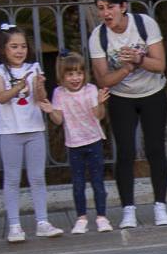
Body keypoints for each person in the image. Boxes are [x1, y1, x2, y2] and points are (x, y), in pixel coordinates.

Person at [88, 0, 167, 228]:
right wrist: (126, 68)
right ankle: (128, 210)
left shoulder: (145, 24)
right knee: (125, 152)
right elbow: (103, 79)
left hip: (152, 92)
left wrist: (138, 59)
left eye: (111, 7)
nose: (106, 13)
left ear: (123, 7)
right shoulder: (98, 37)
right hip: (121, 97)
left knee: (155, 149)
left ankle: (160, 207)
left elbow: (160, 64)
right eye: (101, 8)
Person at [0, 23, 63, 242]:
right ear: (4, 49)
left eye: (22, 46)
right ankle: (14, 225)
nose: (19, 51)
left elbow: (41, 98)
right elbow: (1, 97)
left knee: (37, 177)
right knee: (12, 179)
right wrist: (19, 85)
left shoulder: (34, 67)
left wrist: (39, 84)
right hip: (10, 132)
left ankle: (42, 222)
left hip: (34, 129)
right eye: (14, 46)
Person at [38, 51, 112, 235]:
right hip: (74, 143)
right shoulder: (59, 93)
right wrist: (49, 111)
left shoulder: (91, 90)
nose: (75, 78)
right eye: (70, 74)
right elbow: (58, 119)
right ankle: (81, 218)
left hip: (93, 140)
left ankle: (102, 217)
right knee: (78, 183)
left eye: (78, 73)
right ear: (62, 76)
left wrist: (101, 103)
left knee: (97, 181)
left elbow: (99, 116)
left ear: (84, 74)